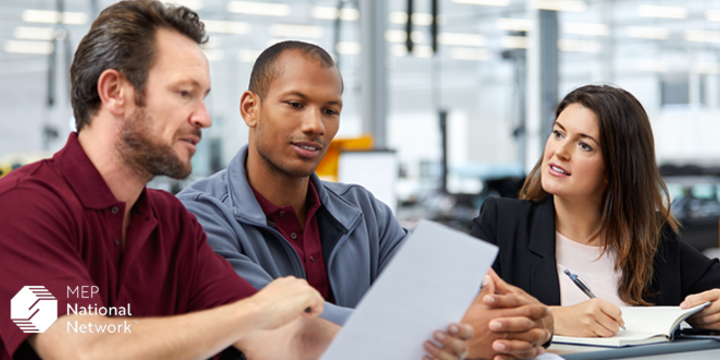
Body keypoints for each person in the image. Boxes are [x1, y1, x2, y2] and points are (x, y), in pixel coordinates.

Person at [0, 1, 473, 359]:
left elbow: (283, 336)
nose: (204, 116)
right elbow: (84, 348)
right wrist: (258, 307)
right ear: (114, 92)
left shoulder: (170, 223)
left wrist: (414, 349)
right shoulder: (22, 208)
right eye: (185, 93)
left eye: (203, 96)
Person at [177, 40, 553, 359]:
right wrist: (426, 333)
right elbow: (271, 320)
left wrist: (519, 317)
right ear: (250, 108)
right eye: (295, 104)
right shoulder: (199, 216)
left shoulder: (363, 211)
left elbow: (441, 296)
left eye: (330, 110)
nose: (315, 125)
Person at [470, 84, 720, 338]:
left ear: (615, 169)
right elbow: (462, 317)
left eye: (584, 145)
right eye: (558, 133)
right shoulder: (502, 222)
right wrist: (552, 319)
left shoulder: (652, 237)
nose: (560, 151)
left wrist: (712, 309)